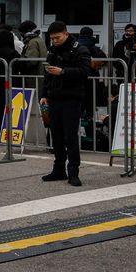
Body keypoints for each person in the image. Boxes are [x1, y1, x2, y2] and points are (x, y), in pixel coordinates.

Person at [40, 21, 92, 187]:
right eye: (52, 38)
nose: (54, 41)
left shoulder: (80, 49)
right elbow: (47, 74)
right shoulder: (53, 50)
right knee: (56, 136)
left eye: (57, 37)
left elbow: (85, 72)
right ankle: (59, 169)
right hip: (54, 98)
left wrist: (62, 72)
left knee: (70, 137)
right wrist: (44, 95)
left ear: (66, 33)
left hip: (72, 98)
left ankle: (73, 172)